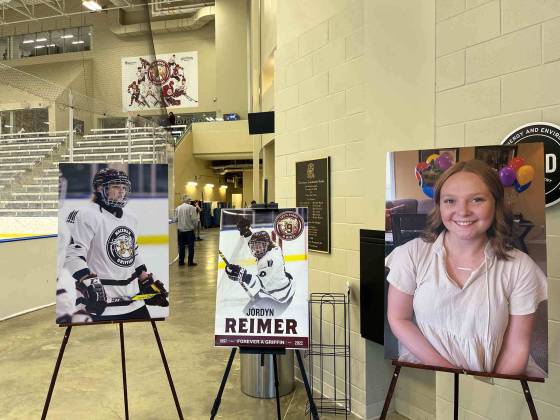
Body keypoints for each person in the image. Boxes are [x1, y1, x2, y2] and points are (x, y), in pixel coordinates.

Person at [386, 159, 547, 376]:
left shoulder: (520, 268)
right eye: (450, 201)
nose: (462, 211)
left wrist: (486, 390)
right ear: (439, 206)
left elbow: (516, 348)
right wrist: (450, 373)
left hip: (496, 378)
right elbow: (399, 318)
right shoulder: (411, 255)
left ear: (496, 204)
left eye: (477, 200)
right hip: (426, 369)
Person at [59, 168, 168, 323]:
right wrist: (90, 284)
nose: (121, 192)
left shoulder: (131, 216)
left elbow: (132, 251)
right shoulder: (86, 215)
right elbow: (73, 255)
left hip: (133, 301)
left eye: (124, 188)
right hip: (99, 302)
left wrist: (144, 278)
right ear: (99, 188)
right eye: (116, 187)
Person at [224, 218, 294, 311]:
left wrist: (242, 274)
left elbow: (259, 284)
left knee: (247, 313)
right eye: (254, 247)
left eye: (259, 247)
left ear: (266, 245)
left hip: (279, 296)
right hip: (277, 286)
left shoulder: (269, 260)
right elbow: (256, 241)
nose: (256, 250)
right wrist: (247, 232)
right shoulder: (273, 247)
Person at [175, 195, 198, 266]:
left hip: (181, 231)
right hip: (189, 231)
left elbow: (176, 219)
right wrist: (195, 227)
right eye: (190, 200)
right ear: (188, 200)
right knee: (191, 247)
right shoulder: (191, 208)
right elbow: (194, 219)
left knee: (181, 247)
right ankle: (190, 262)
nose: (190, 202)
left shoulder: (178, 208)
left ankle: (181, 261)